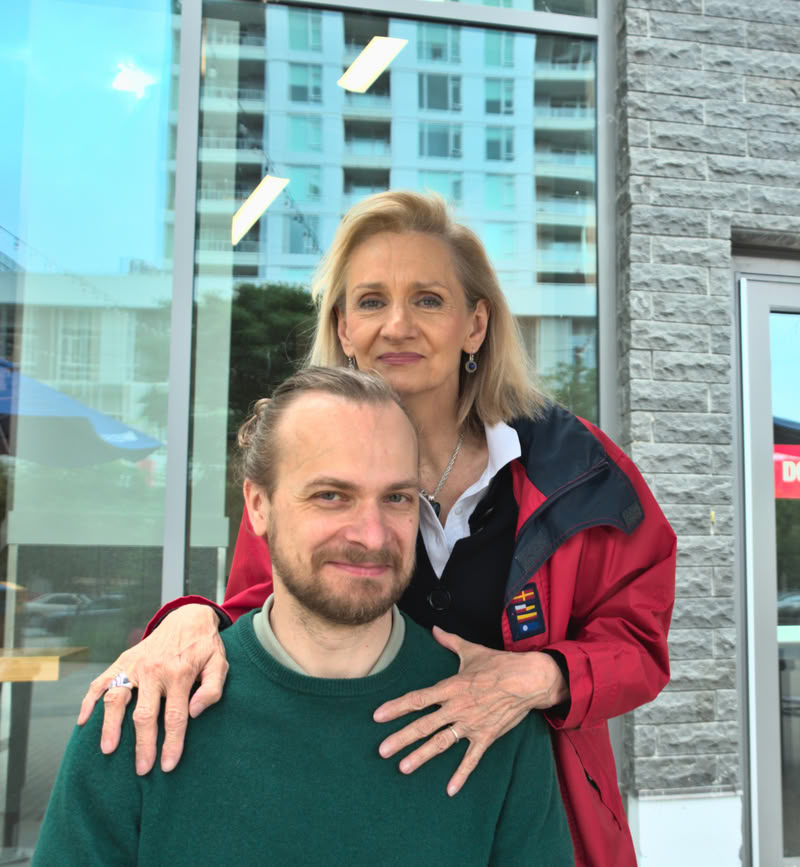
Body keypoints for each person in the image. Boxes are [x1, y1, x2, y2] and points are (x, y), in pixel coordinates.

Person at [78, 191, 676, 867]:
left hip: (541, 821)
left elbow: (640, 642)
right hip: (356, 801)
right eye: (370, 301)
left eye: (428, 299)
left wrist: (541, 676)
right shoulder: (300, 467)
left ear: (475, 324)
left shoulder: (577, 469)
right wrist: (190, 619)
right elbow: (262, 612)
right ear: (342, 328)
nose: (397, 325)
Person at [35, 368, 574, 867]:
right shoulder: (140, 715)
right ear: (258, 505)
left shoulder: (493, 723)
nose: (371, 535)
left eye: (397, 498)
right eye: (331, 495)